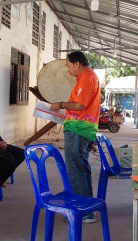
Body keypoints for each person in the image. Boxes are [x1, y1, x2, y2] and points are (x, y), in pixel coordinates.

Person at [51, 51, 101, 223]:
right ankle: (88, 208)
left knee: (75, 170)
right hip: (83, 129)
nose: (68, 69)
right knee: (82, 169)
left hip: (78, 130)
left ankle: (83, 212)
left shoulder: (87, 78)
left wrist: (61, 105)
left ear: (77, 64)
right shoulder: (87, 78)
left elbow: (79, 105)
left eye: (68, 65)